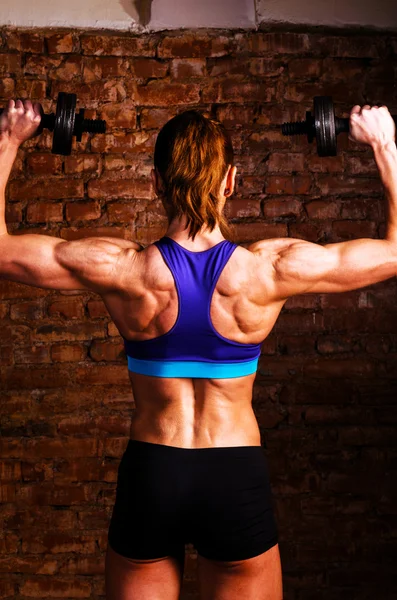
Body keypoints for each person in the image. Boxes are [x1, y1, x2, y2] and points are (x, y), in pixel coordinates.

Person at [0, 98, 396, 600]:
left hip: (153, 472)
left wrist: (10, 139)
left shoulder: (123, 270)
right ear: (230, 181)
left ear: (156, 183)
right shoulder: (267, 272)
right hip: (233, 476)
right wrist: (384, 145)